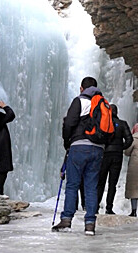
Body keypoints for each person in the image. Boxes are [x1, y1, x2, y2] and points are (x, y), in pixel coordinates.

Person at [53, 77, 106, 236]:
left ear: (82, 88)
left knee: (72, 185)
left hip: (79, 147)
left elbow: (69, 123)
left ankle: (67, 220)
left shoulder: (80, 101)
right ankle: (90, 224)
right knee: (91, 186)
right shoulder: (103, 103)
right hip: (98, 149)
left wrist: (67, 141)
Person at [97, 104, 133, 214]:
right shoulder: (122, 124)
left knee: (101, 181)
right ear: (116, 112)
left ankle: (95, 206)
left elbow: (98, 136)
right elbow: (129, 139)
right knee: (113, 183)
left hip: (105, 154)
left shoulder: (104, 123)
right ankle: (109, 207)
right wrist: (121, 147)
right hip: (117, 155)